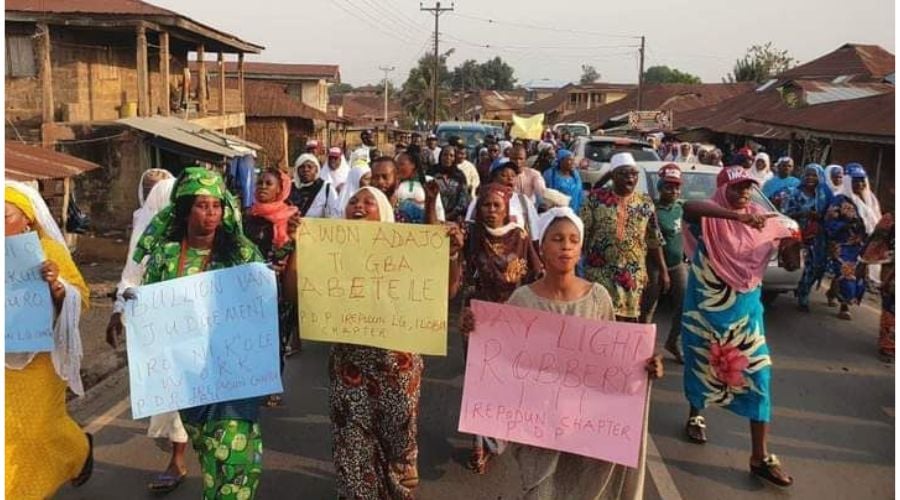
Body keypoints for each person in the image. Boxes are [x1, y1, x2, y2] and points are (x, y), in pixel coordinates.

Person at [288, 186, 463, 499]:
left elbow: (445, 293)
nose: (358, 206)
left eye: (368, 202)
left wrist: (450, 253)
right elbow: (293, 294)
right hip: (349, 368)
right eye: (353, 201)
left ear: (382, 211)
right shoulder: (329, 250)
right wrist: (297, 247)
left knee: (397, 440)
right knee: (351, 444)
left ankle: (398, 477)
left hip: (397, 367)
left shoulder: (408, 248)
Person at [485, 207, 662, 499]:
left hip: (585, 429)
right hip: (538, 432)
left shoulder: (598, 298)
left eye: (572, 239)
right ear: (541, 248)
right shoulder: (522, 301)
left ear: (580, 249)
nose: (565, 245)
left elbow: (613, 363)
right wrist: (476, 327)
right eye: (557, 238)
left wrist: (645, 366)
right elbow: (501, 359)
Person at [127, 167, 267, 499]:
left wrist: (266, 279)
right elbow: (151, 304)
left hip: (234, 375)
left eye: (216, 206)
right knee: (210, 452)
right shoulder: (167, 255)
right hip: (188, 377)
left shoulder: (242, 253)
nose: (211, 214)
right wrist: (134, 305)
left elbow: (261, 303)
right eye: (202, 206)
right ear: (186, 208)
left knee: (239, 458)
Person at [680, 167, 800, 488]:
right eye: (737, 188)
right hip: (706, 312)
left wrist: (793, 246)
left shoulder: (764, 218)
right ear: (722, 190)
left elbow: (790, 263)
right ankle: (696, 414)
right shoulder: (709, 216)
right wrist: (736, 218)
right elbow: (689, 208)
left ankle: (759, 457)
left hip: (746, 318)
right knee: (701, 362)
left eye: (748, 187)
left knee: (760, 376)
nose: (744, 193)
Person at [5, 181, 94, 498]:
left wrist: (58, 290)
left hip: (40, 361)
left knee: (34, 430)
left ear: (27, 219)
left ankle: (78, 449)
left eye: (5, 216)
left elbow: (81, 297)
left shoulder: (50, 252)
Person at [105, 169, 192, 493]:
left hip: (193, 323)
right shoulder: (144, 228)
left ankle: (189, 448)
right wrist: (118, 311)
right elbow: (131, 274)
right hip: (157, 323)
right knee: (170, 389)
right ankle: (178, 456)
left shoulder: (199, 231)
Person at [452, 183, 543, 474]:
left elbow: (537, 273)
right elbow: (454, 257)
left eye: (496, 206)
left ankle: (498, 431)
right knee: (478, 379)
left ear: (506, 209)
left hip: (512, 316)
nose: (490, 211)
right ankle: (479, 445)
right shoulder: (471, 235)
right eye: (485, 206)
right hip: (477, 315)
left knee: (504, 378)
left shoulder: (520, 237)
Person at [580, 152, 669, 321]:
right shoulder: (595, 199)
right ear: (613, 176)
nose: (630, 178)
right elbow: (582, 234)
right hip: (599, 273)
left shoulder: (644, 203)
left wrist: (663, 271)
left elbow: (654, 240)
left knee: (626, 326)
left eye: (634, 174)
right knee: (600, 320)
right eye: (624, 174)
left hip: (632, 276)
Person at [243, 167, 300, 403]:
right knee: (252, 338)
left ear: (281, 189)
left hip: (280, 288)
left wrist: (293, 243)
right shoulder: (246, 218)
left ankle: (271, 385)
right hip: (250, 287)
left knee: (276, 340)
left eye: (269, 183)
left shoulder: (293, 219)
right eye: (260, 183)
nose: (263, 187)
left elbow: (297, 253)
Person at [640, 164, 688, 363]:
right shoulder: (653, 210)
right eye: (669, 187)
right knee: (648, 307)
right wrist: (663, 271)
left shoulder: (680, 207)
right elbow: (654, 243)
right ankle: (641, 348)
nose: (674, 191)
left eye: (677, 187)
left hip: (678, 265)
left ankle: (672, 342)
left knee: (685, 305)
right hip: (655, 266)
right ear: (660, 188)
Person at [824, 163, 881, 320]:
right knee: (847, 276)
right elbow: (829, 223)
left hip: (863, 247)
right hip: (843, 246)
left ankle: (833, 292)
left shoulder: (871, 201)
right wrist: (845, 225)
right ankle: (845, 306)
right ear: (849, 182)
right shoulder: (840, 200)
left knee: (859, 278)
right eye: (856, 181)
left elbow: (877, 222)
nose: (860, 184)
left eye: (862, 181)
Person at [782, 164, 832, 312]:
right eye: (808, 174)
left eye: (814, 175)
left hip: (818, 237)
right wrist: (804, 213)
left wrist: (822, 217)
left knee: (817, 267)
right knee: (802, 266)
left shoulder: (824, 194)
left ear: (820, 177)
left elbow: (831, 213)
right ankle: (803, 297)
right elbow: (786, 213)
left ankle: (804, 289)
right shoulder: (795, 193)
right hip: (799, 235)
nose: (810, 178)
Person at [466, 158, 540, 239]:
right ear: (493, 178)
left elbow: (535, 233)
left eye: (513, 175)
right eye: (504, 175)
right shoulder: (479, 201)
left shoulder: (524, 201)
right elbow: (470, 230)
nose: (510, 179)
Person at [861, 212, 895, 361]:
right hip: (893, 271)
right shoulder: (890, 220)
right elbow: (875, 241)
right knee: (891, 307)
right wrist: (864, 262)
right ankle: (888, 345)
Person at [371, 155, 439, 224]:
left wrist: (430, 203)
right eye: (375, 177)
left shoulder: (409, 209)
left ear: (397, 179)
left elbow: (430, 229)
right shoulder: (365, 208)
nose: (380, 182)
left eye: (385, 177)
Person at [395, 149, 446, 221]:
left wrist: (441, 221)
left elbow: (438, 208)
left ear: (413, 165)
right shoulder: (395, 184)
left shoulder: (428, 181)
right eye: (396, 165)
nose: (397, 168)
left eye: (401, 164)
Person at [289, 153, 341, 218]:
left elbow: (335, 215)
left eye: (309, 167)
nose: (306, 170)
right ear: (297, 170)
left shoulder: (326, 188)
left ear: (316, 169)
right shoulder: (290, 187)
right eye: (302, 167)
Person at [429, 145, 471, 223]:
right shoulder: (431, 172)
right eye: (445, 155)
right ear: (440, 156)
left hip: (453, 219)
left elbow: (463, 201)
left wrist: (448, 216)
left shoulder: (459, 176)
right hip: (433, 216)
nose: (448, 158)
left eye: (451, 155)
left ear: (455, 158)